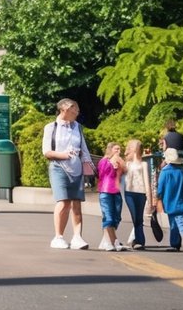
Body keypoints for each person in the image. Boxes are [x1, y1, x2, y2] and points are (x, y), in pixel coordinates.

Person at [42, 98, 93, 250]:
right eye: (74, 109)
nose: (77, 112)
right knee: (63, 202)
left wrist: (88, 165)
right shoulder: (51, 127)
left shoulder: (78, 127)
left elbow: (83, 148)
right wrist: (64, 155)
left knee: (77, 203)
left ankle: (77, 237)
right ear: (64, 108)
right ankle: (58, 237)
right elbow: (46, 151)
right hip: (58, 167)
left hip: (76, 168)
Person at [155, 148, 183, 253]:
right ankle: (175, 244)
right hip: (181, 201)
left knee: (177, 223)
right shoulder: (181, 172)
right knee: (176, 223)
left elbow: (160, 189)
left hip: (169, 202)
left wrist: (157, 198)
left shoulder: (164, 173)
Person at [122, 138, 154, 250]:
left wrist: (150, 199)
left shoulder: (144, 164)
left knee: (139, 218)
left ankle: (139, 241)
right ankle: (137, 240)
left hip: (141, 193)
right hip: (129, 193)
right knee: (135, 217)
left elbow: (147, 181)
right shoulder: (127, 163)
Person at [96, 141, 125, 251]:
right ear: (110, 149)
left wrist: (120, 164)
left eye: (119, 149)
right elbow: (103, 173)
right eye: (116, 149)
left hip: (116, 191)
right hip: (106, 191)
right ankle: (113, 241)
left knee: (116, 217)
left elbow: (125, 171)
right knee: (108, 217)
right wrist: (111, 163)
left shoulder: (119, 162)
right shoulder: (104, 161)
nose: (118, 151)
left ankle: (106, 240)